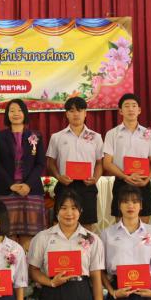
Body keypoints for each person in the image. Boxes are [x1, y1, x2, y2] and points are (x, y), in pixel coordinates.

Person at [0, 98, 48, 251]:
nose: (16, 114)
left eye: (19, 110)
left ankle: (27, 266)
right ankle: (8, 266)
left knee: (30, 237)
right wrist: (11, 184)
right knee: (5, 235)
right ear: (7, 114)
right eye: (12, 110)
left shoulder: (35, 136)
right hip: (6, 190)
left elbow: (40, 163)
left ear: (25, 113)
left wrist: (28, 184)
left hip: (31, 191)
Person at [103, 93, 151, 225]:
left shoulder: (147, 133)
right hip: (122, 182)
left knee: (144, 222)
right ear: (120, 111)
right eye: (126, 106)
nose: (130, 109)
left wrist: (146, 180)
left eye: (134, 106)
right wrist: (125, 177)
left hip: (143, 182)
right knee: (121, 223)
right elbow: (107, 163)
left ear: (139, 110)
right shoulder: (112, 134)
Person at [46, 97, 104, 232]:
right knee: (60, 224)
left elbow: (100, 163)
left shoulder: (96, 137)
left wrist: (95, 179)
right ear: (67, 114)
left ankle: (86, 247)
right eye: (72, 111)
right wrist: (59, 177)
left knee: (86, 226)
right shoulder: (57, 137)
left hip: (87, 186)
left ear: (85, 113)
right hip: (65, 185)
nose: (76, 114)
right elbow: (50, 162)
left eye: (79, 110)